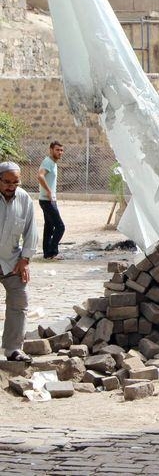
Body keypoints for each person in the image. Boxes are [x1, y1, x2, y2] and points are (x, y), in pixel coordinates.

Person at [0, 162, 38, 363]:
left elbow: (31, 231)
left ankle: (13, 349)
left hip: (12, 261)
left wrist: (25, 259)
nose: (11, 186)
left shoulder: (24, 199)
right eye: (7, 182)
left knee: (19, 302)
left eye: (15, 182)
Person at [37, 141, 65, 261]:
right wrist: (48, 191)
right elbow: (40, 176)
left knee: (49, 226)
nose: (60, 152)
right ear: (51, 150)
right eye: (57, 150)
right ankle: (53, 252)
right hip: (47, 200)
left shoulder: (53, 163)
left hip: (48, 200)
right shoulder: (48, 162)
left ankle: (47, 254)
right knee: (60, 226)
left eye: (61, 150)